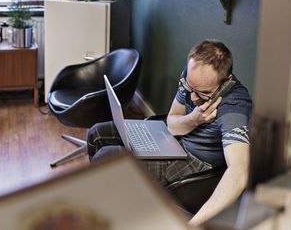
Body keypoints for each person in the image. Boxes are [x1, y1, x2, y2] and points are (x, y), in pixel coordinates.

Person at [87, 39, 252, 226]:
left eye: (203, 93)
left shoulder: (235, 107)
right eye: (191, 88)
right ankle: (108, 207)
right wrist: (194, 119)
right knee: (97, 134)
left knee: (108, 157)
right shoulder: (192, 76)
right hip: (174, 140)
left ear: (226, 81)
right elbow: (173, 123)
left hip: (193, 162)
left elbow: (239, 172)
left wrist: (190, 225)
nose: (193, 97)